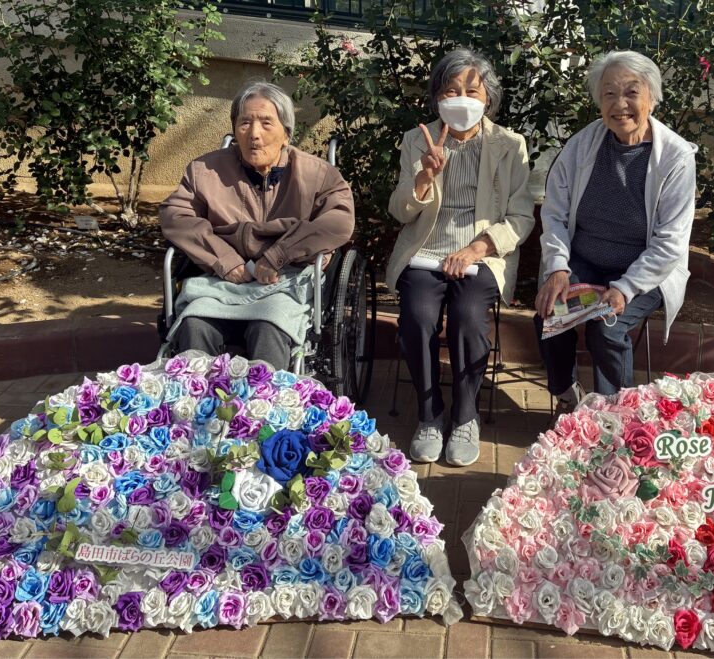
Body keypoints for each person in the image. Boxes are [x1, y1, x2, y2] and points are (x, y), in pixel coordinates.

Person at [387, 49, 534, 466]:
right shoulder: (417, 140)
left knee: (469, 316)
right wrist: (422, 178)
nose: (462, 98)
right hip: (425, 250)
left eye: (472, 90)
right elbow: (400, 211)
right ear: (437, 98)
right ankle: (430, 414)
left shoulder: (510, 145)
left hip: (480, 253)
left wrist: (479, 247)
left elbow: (521, 217)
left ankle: (465, 415)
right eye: (452, 90)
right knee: (417, 314)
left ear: (489, 98)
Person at [535, 50, 697, 416]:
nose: (619, 104)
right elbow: (555, 211)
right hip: (586, 260)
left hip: (643, 271)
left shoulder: (675, 157)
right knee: (550, 313)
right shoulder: (583, 145)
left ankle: (613, 416)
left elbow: (670, 242)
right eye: (609, 93)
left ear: (651, 97)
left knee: (605, 328)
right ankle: (565, 393)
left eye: (631, 93)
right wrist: (558, 267)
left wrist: (625, 287)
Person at [160, 81, 354, 370]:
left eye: (266, 123)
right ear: (234, 129)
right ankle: (197, 409)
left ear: (286, 133)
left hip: (285, 279)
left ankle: (263, 411)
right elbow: (176, 214)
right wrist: (224, 260)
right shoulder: (204, 171)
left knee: (269, 327)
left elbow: (338, 221)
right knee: (194, 323)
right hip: (220, 278)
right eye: (245, 123)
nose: (254, 134)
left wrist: (278, 255)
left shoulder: (318, 174)